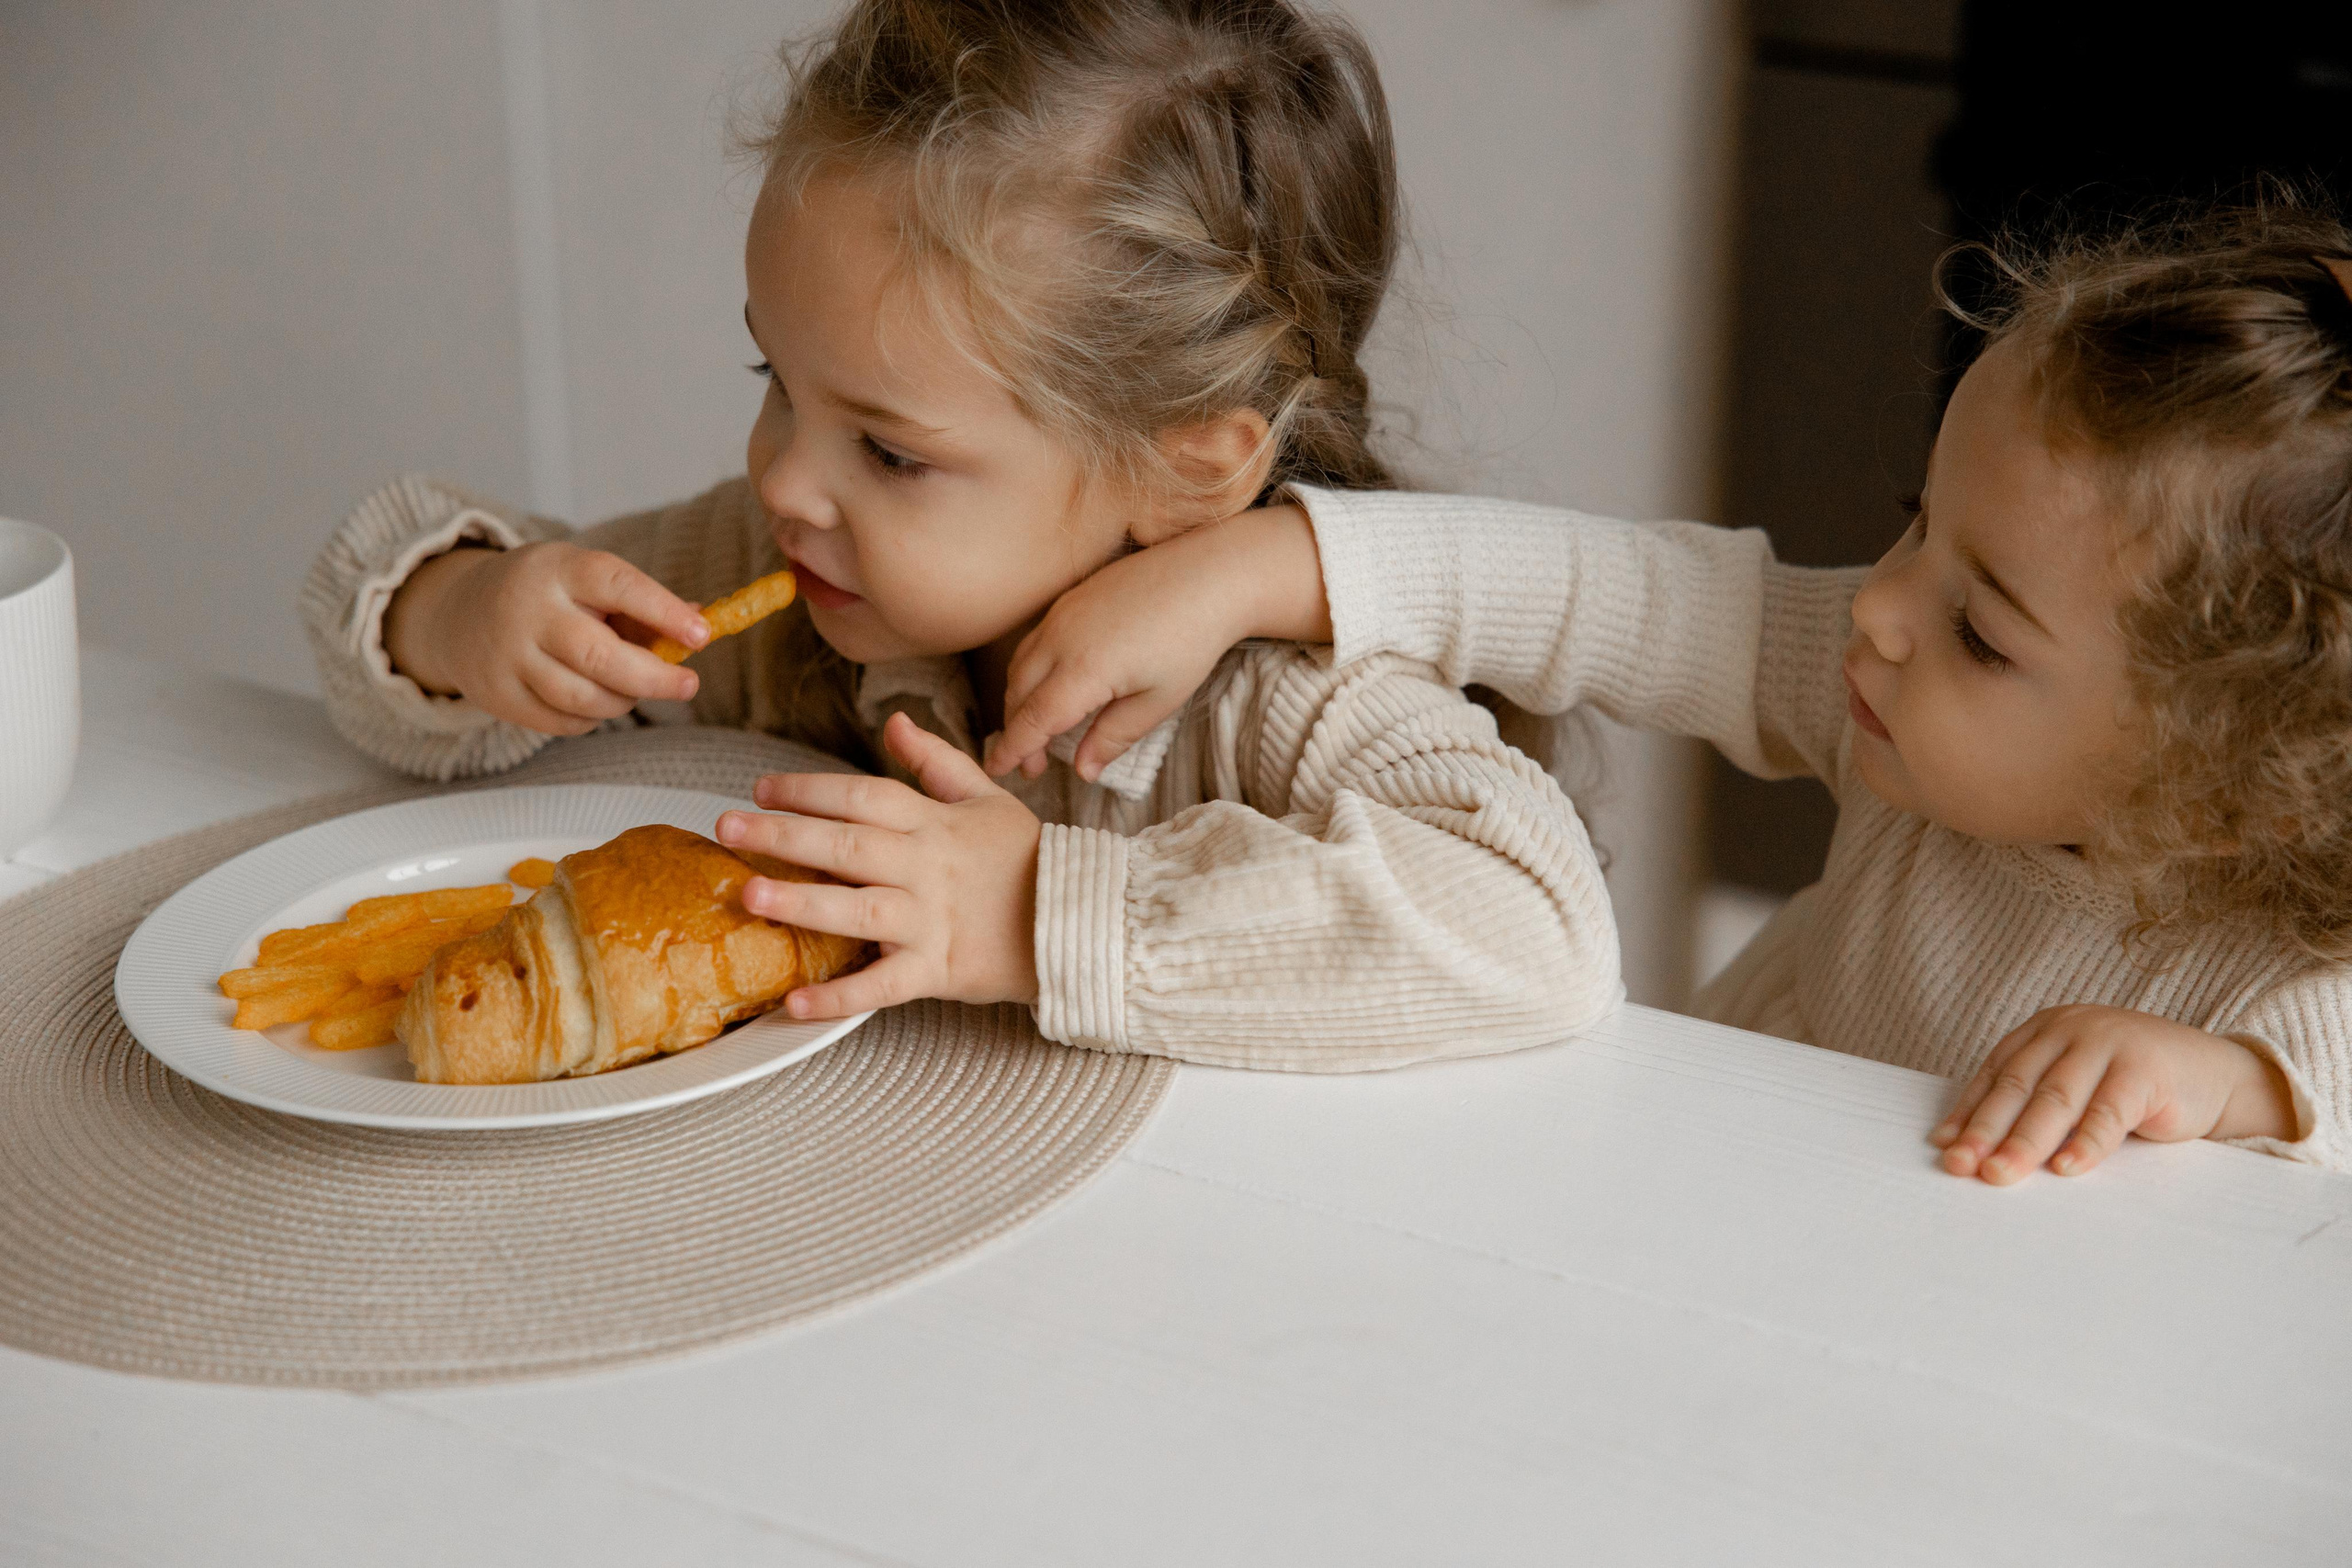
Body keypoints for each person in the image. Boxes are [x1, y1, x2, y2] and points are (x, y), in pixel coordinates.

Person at [301, 0, 1622, 1071]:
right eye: (774, 382)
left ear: (1181, 473)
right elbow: (368, 585)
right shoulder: (783, 576)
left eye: (888, 451)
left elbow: (1544, 925)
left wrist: (1029, 912)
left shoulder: (1272, 698)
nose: (783, 480)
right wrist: (463, 615)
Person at [989, 200, 2352, 1179]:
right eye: (1913, 521)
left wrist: (2233, 1087)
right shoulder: (1880, 679)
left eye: (1982, 632)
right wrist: (1254, 568)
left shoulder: (2295, 971)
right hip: (1694, 1191)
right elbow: (1618, 594)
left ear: (2235, 793)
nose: (1878, 607)